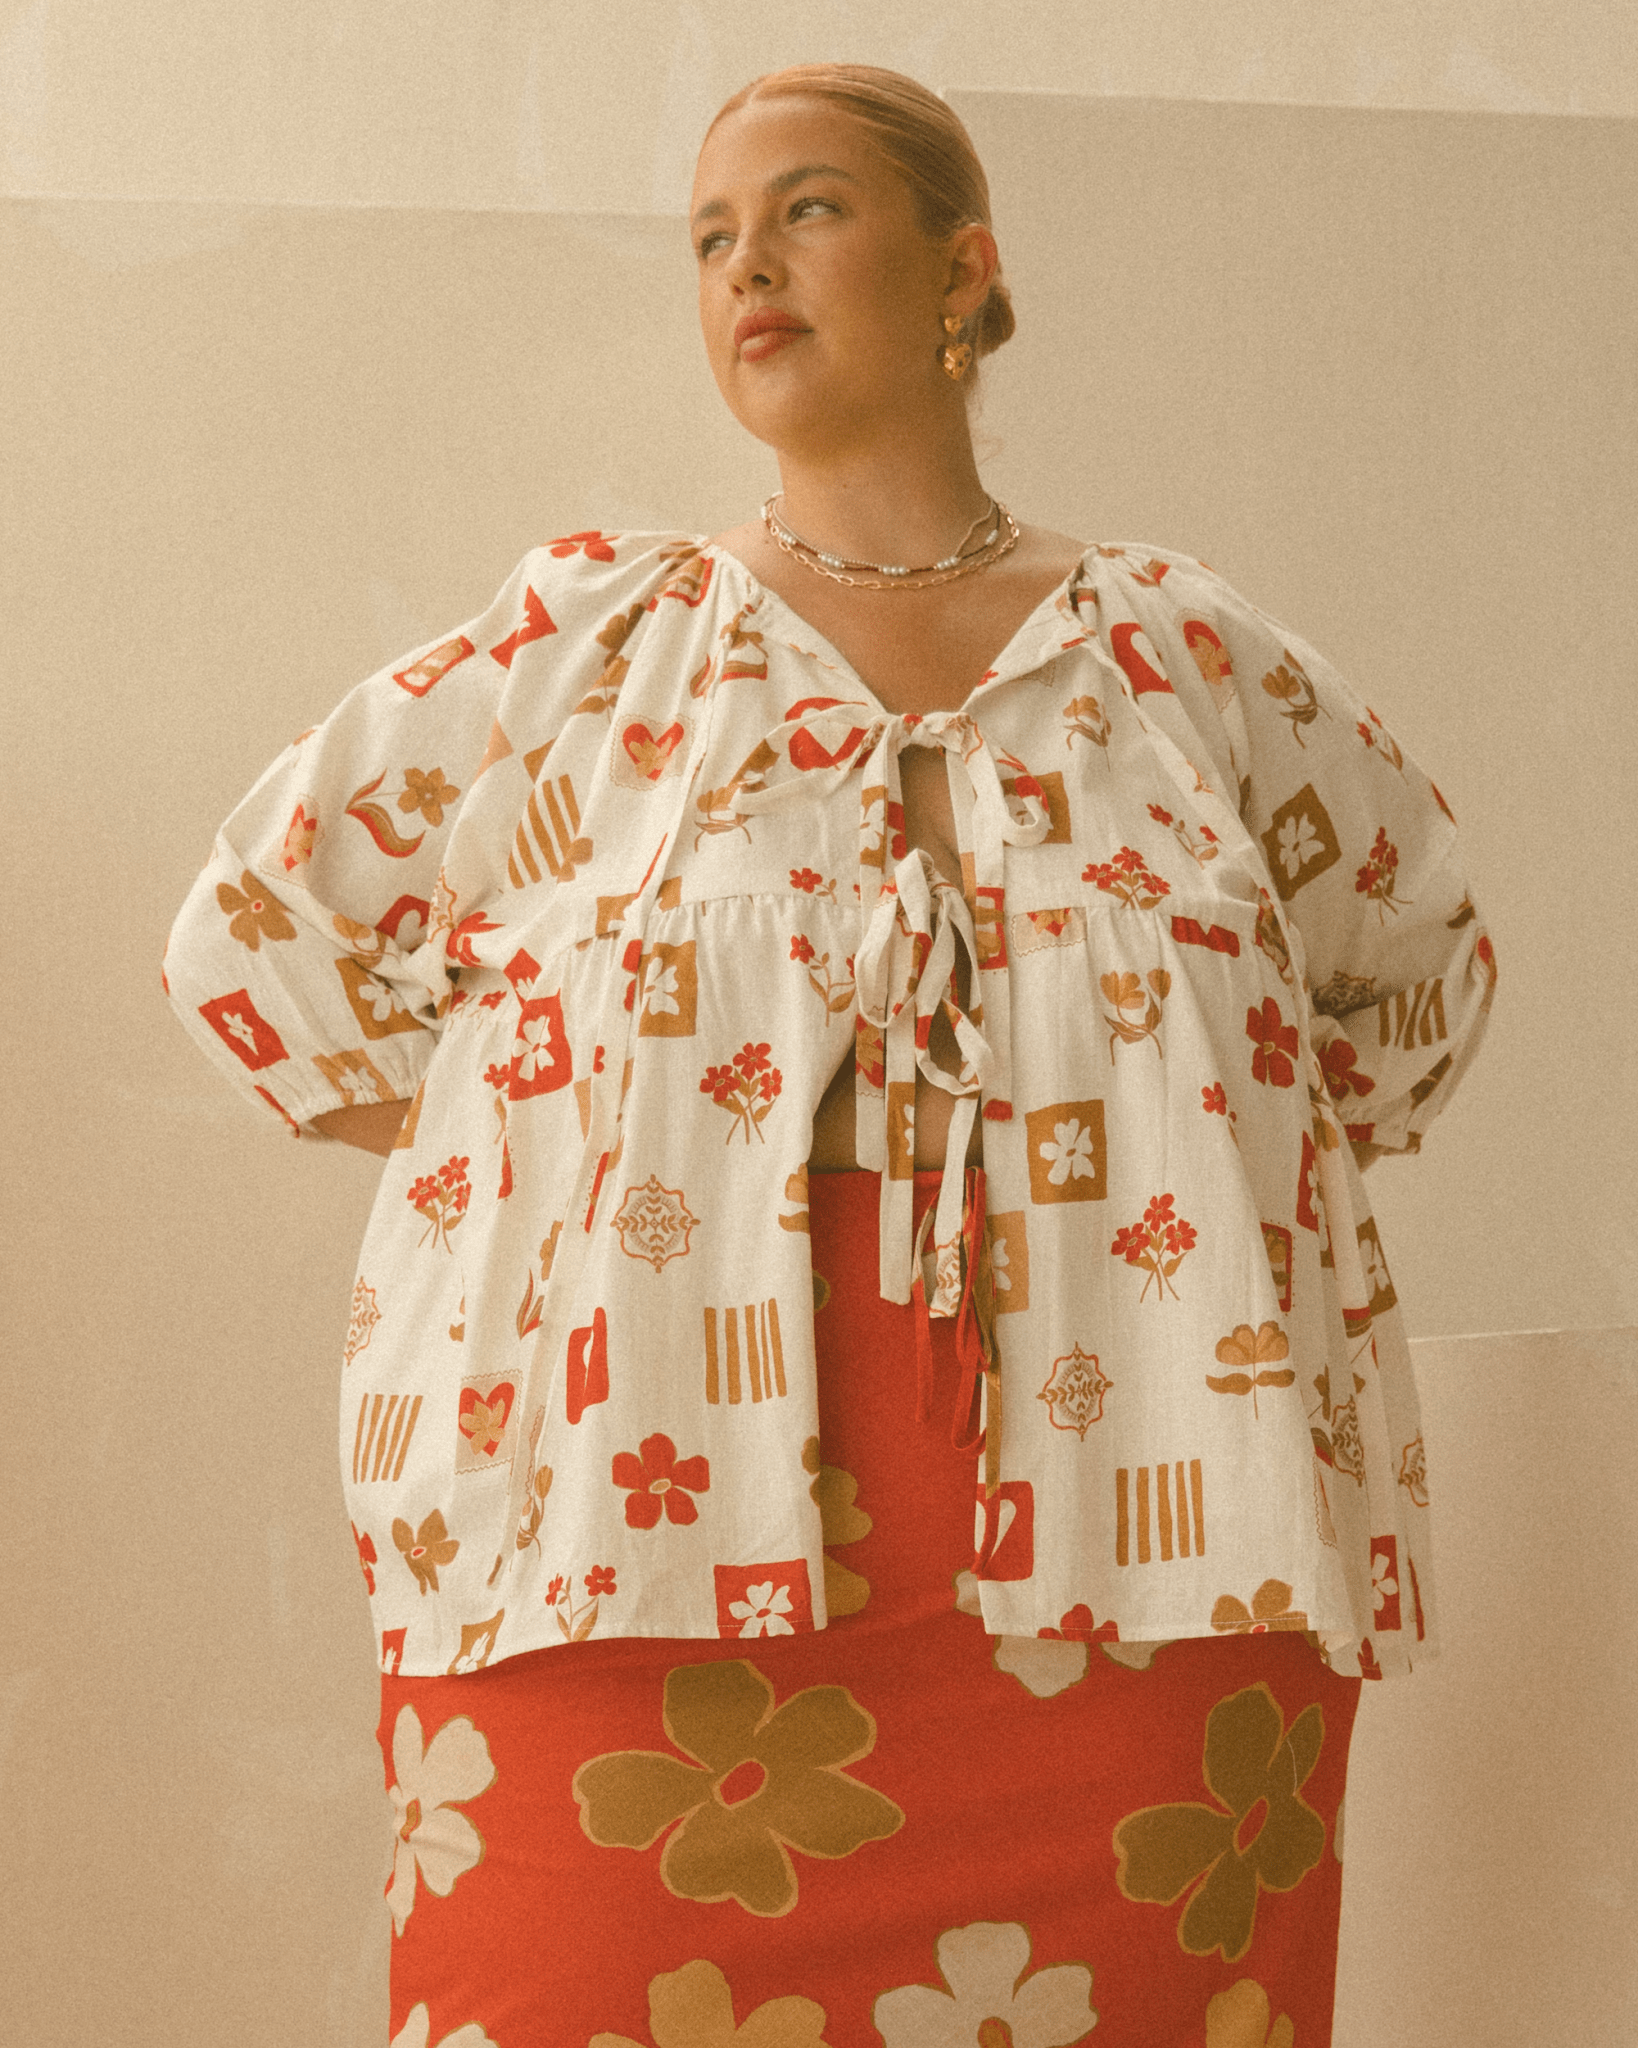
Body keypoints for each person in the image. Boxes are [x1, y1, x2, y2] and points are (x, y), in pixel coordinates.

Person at [164, 62, 1497, 2048]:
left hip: (1147, 1525)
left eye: (805, 210)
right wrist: (524, 1168)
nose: (745, 268)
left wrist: (1183, 1160)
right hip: (630, 1532)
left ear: (962, 268)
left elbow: (1419, 973)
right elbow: (255, 945)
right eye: (711, 236)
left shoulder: (1180, 660)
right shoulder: (594, 650)